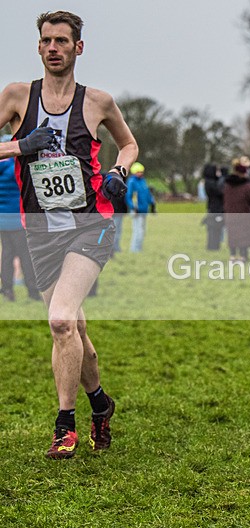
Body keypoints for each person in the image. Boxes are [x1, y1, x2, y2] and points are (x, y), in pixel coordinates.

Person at [0, 10, 137, 458]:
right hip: (40, 232)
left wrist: (119, 170)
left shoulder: (97, 101)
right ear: (38, 47)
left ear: (79, 48)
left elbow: (130, 143)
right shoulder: (18, 96)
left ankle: (65, 425)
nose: (54, 47)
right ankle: (101, 403)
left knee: (60, 321)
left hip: (90, 227)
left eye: (62, 40)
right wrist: (20, 145)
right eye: (46, 40)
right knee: (74, 328)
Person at [0, 136, 39, 301]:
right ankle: (32, 290)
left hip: (2, 220)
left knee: (7, 255)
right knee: (25, 255)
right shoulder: (16, 167)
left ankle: (7, 289)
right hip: (18, 218)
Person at [224, 156, 250, 262]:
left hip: (230, 214)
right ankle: (243, 255)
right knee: (244, 235)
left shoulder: (227, 185)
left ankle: (233, 255)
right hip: (244, 214)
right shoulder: (247, 186)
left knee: (232, 234)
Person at [125, 161, 154, 253]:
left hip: (144, 210)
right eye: (138, 172)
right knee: (138, 231)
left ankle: (139, 248)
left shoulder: (143, 181)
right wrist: (133, 207)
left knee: (142, 231)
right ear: (134, 172)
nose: (140, 173)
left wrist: (152, 203)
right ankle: (134, 250)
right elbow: (128, 196)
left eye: (141, 171)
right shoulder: (131, 182)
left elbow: (147, 194)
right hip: (136, 210)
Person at [202, 163, 225, 251]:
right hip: (215, 207)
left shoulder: (209, 181)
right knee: (214, 228)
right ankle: (213, 246)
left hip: (213, 207)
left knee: (215, 228)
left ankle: (214, 245)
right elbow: (219, 192)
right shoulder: (210, 183)